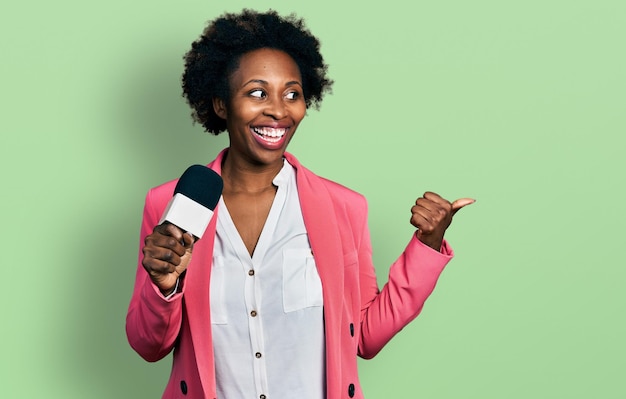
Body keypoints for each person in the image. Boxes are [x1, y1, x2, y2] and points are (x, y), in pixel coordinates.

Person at [126, 9, 474, 399]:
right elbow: (148, 345)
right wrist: (163, 287)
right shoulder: (170, 204)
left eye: (292, 94)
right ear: (221, 105)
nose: (278, 110)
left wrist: (426, 246)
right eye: (257, 93)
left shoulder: (344, 207)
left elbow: (366, 337)